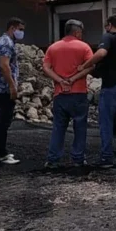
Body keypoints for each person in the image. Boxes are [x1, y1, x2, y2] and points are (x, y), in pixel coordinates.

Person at [78, 14, 116, 168]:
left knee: (106, 122)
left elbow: (101, 53)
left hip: (111, 86)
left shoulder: (109, 38)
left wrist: (85, 65)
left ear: (110, 25)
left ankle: (106, 158)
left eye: (107, 25)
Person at [42, 19, 94, 169]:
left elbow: (45, 68)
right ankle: (78, 159)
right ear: (77, 32)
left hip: (60, 94)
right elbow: (91, 67)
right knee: (80, 127)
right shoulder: (84, 47)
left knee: (58, 127)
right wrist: (72, 79)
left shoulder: (53, 48)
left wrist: (60, 80)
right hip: (78, 93)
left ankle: (52, 160)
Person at [0, 17, 25, 165]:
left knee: (3, 121)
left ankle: (0, 151)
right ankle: (2, 154)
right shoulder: (5, 44)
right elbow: (5, 66)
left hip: (1, 87)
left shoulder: (5, 42)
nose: (22, 33)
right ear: (12, 28)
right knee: (3, 121)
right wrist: (12, 86)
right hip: (4, 89)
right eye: (20, 29)